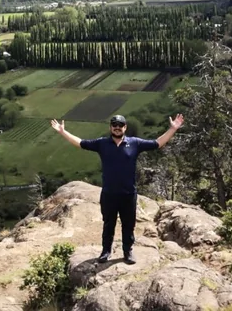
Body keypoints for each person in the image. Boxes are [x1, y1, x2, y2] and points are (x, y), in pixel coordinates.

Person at [51, 113, 184, 264]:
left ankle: (128, 252)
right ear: (110, 127)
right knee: (109, 224)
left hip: (128, 194)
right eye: (114, 125)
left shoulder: (135, 143)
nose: (117, 128)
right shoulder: (102, 143)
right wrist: (63, 132)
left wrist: (173, 129)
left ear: (125, 127)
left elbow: (158, 143)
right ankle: (106, 251)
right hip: (109, 194)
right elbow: (80, 143)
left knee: (129, 225)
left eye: (120, 125)